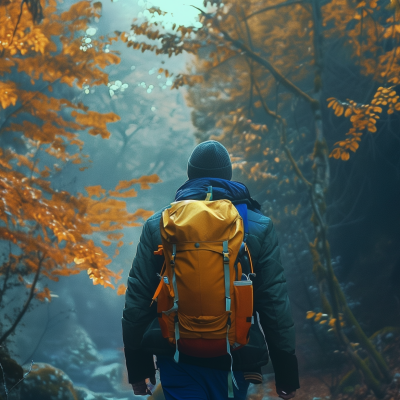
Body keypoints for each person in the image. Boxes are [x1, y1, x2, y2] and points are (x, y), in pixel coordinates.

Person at [122, 140, 300, 400]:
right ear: (228, 174)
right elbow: (274, 304)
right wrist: (286, 371)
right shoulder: (257, 226)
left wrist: (138, 368)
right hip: (233, 358)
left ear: (189, 174)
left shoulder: (159, 225)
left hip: (176, 357)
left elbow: (137, 302)